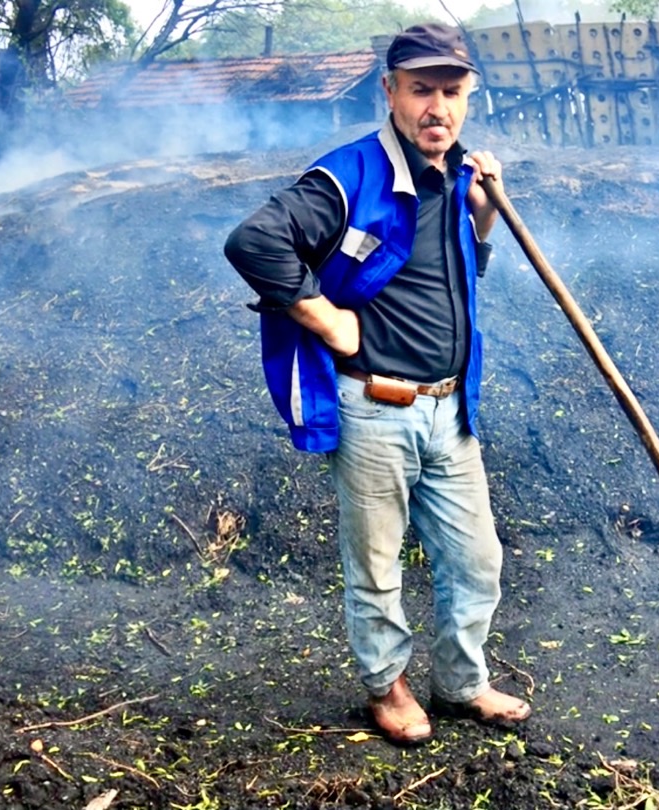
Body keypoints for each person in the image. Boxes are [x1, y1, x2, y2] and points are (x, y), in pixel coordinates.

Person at [223, 22, 530, 745]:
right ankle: (386, 688)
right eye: (421, 90)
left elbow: (447, 282)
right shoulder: (349, 175)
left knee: (478, 558)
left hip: (451, 410)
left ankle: (461, 684)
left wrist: (482, 221)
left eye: (452, 92)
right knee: (377, 565)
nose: (437, 108)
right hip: (375, 407)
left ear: (469, 96)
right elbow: (253, 241)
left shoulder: (459, 176)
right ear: (388, 91)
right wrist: (328, 321)